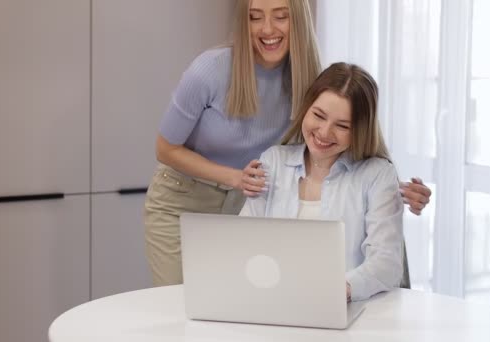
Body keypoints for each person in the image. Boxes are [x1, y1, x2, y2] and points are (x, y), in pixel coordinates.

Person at [144, 0, 430, 287]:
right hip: (184, 197)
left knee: (223, 297)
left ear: (299, 21)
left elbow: (340, 134)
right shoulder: (210, 70)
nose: (267, 29)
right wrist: (236, 177)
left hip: (246, 193)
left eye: (281, 16)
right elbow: (165, 148)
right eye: (255, 17)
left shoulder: (307, 77)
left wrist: (391, 188)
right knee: (182, 303)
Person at [240, 62, 403, 301]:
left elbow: (386, 263)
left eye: (342, 126)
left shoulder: (377, 175)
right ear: (306, 108)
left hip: (343, 308)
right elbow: (243, 240)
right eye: (319, 115)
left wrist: (342, 289)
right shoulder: (273, 162)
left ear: (360, 130)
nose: (325, 133)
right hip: (272, 302)